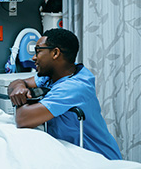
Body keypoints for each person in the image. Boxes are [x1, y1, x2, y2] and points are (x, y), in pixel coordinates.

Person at [7, 28, 122, 160]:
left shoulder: (74, 87)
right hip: (73, 155)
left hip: (100, 159)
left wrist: (22, 98)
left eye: (38, 51)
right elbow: (17, 83)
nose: (33, 57)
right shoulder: (53, 76)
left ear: (55, 53)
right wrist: (19, 88)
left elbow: (23, 119)